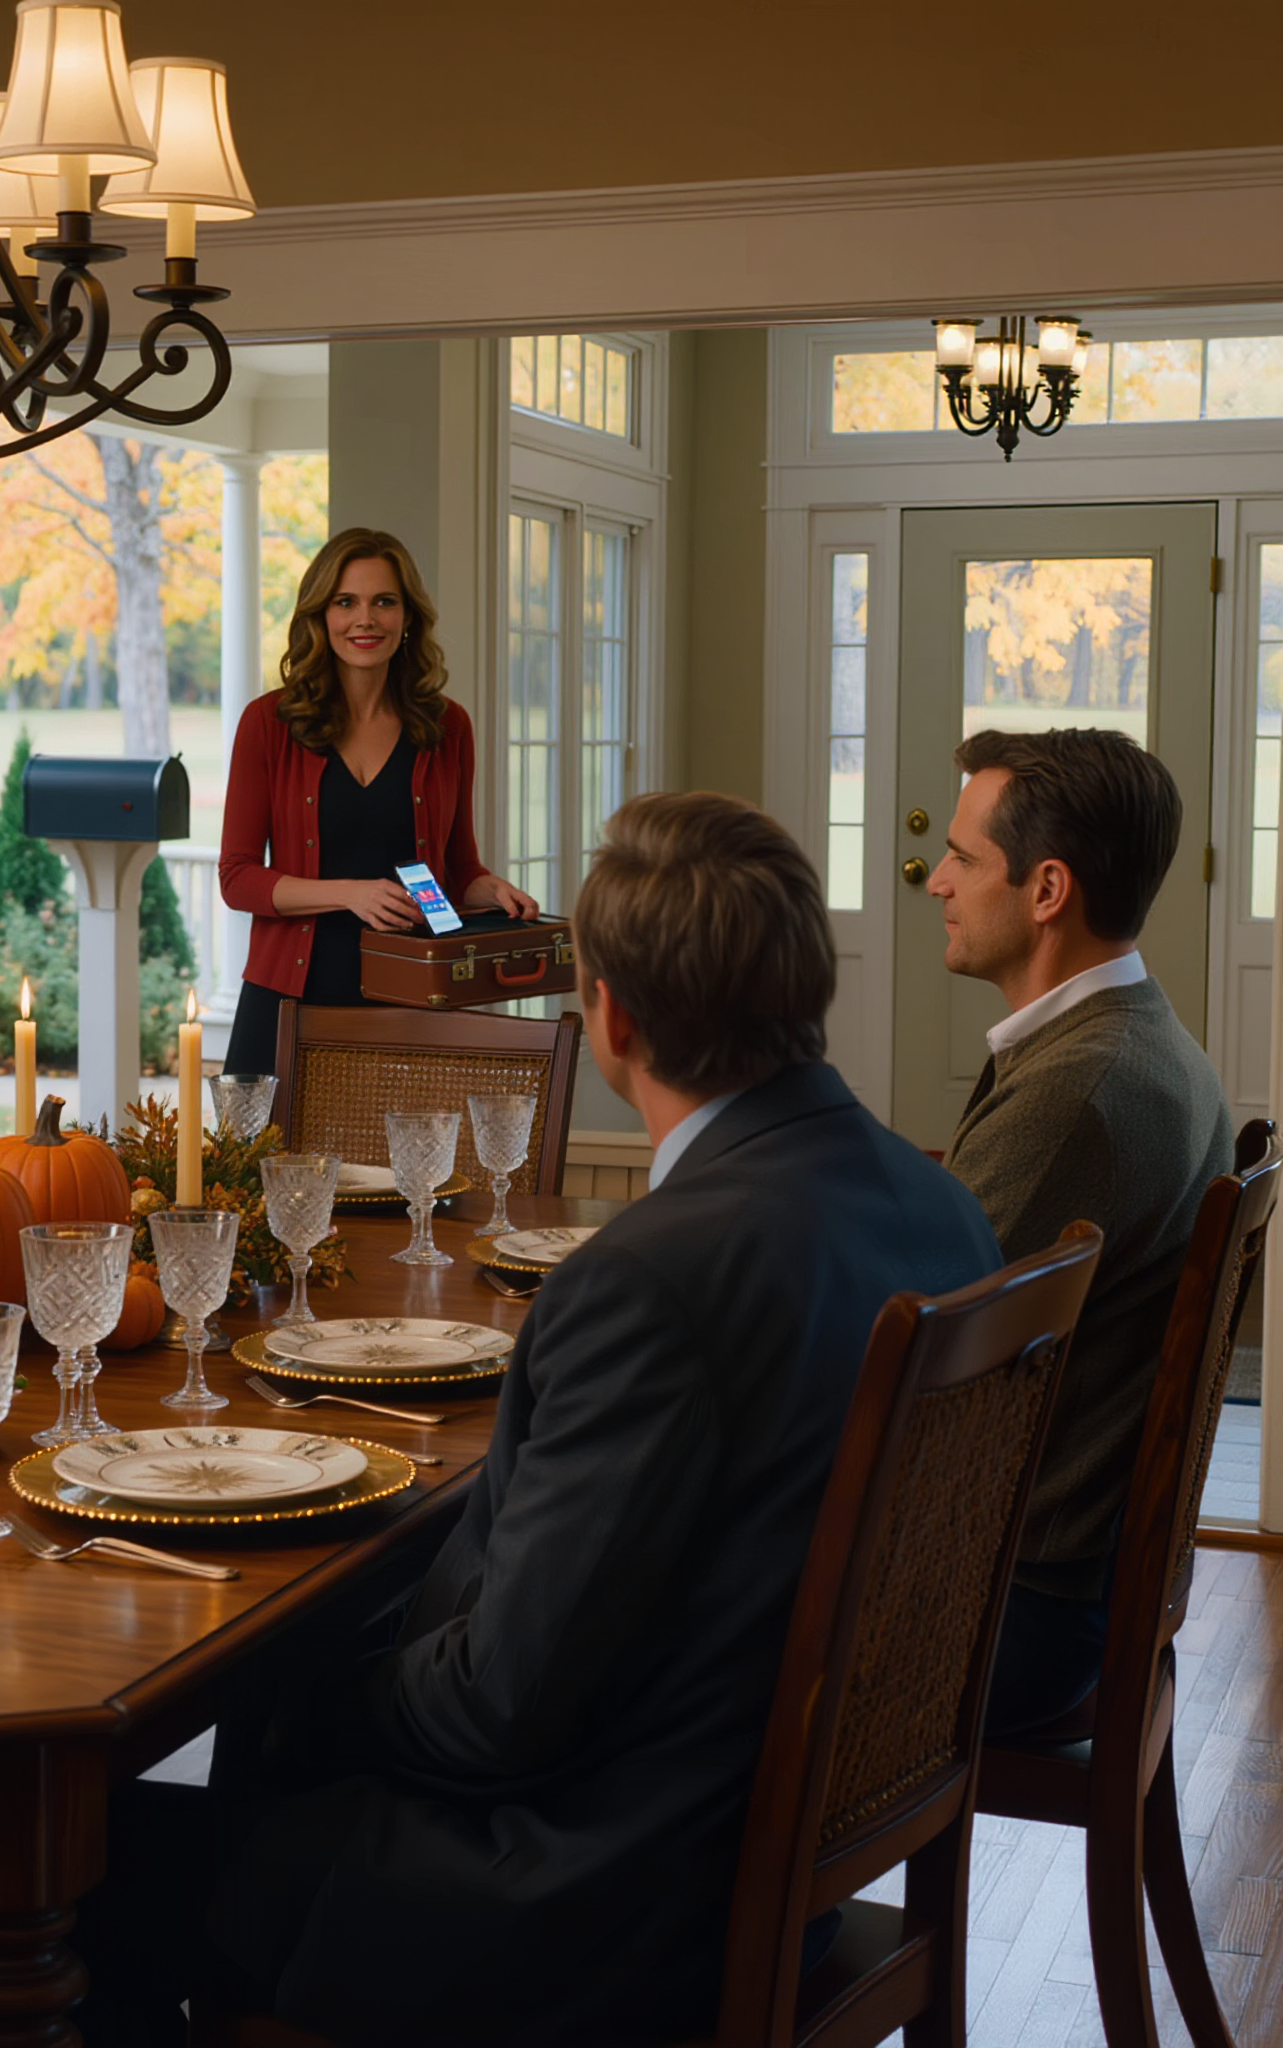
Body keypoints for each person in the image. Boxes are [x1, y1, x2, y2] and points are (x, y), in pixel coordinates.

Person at [74, 792, 1002, 2047]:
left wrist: (301, 1699)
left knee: (95, 1857)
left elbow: (496, 1709)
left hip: (599, 1895)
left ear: (607, 1017)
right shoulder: (938, 1208)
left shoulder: (649, 1278)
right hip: (789, 1859)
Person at [928, 728, 1232, 1736]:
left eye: (964, 857)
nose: (936, 880)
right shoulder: (1133, 1034)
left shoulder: (1078, 1092)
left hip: (1016, 1610)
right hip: (1062, 1583)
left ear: (1045, 888)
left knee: (643, 1617)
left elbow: (898, 1340)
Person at [217, 528, 538, 1074]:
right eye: (346, 602)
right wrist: (350, 894)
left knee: (410, 1161)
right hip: (287, 997)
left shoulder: (447, 726)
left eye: (383, 602)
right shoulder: (268, 723)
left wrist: (493, 890)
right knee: (263, 1162)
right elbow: (237, 878)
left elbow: (458, 869)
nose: (365, 619)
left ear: (407, 616)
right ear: (321, 615)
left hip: (412, 996)